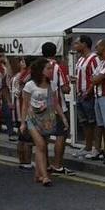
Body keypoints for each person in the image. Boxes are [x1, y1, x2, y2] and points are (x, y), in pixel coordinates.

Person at [22, 58, 64, 187]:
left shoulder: (51, 85)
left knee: (43, 146)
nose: (51, 71)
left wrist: (63, 117)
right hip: (32, 119)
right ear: (41, 70)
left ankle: (38, 174)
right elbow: (25, 104)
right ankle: (45, 176)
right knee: (40, 145)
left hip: (46, 120)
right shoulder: (30, 85)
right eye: (48, 68)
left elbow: (56, 103)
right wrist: (23, 122)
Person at [42, 42, 71, 174]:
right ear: (55, 52)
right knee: (61, 135)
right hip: (58, 106)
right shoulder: (57, 67)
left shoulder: (37, 66)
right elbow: (65, 88)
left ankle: (45, 164)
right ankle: (57, 165)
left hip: (41, 107)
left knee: (44, 138)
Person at [72, 36, 100, 158]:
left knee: (92, 121)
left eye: (77, 43)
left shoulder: (93, 59)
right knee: (84, 122)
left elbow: (95, 77)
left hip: (88, 95)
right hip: (79, 94)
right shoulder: (80, 60)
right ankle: (88, 146)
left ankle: (95, 147)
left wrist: (88, 91)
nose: (75, 46)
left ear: (84, 44)